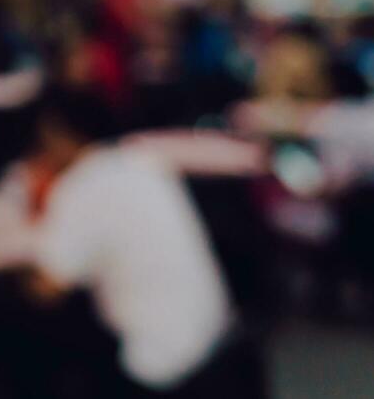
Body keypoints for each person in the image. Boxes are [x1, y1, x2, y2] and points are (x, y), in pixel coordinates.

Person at [23, 88, 253, 398]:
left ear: (59, 135)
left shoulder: (81, 186)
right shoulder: (141, 160)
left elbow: (48, 287)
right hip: (221, 341)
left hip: (165, 366)